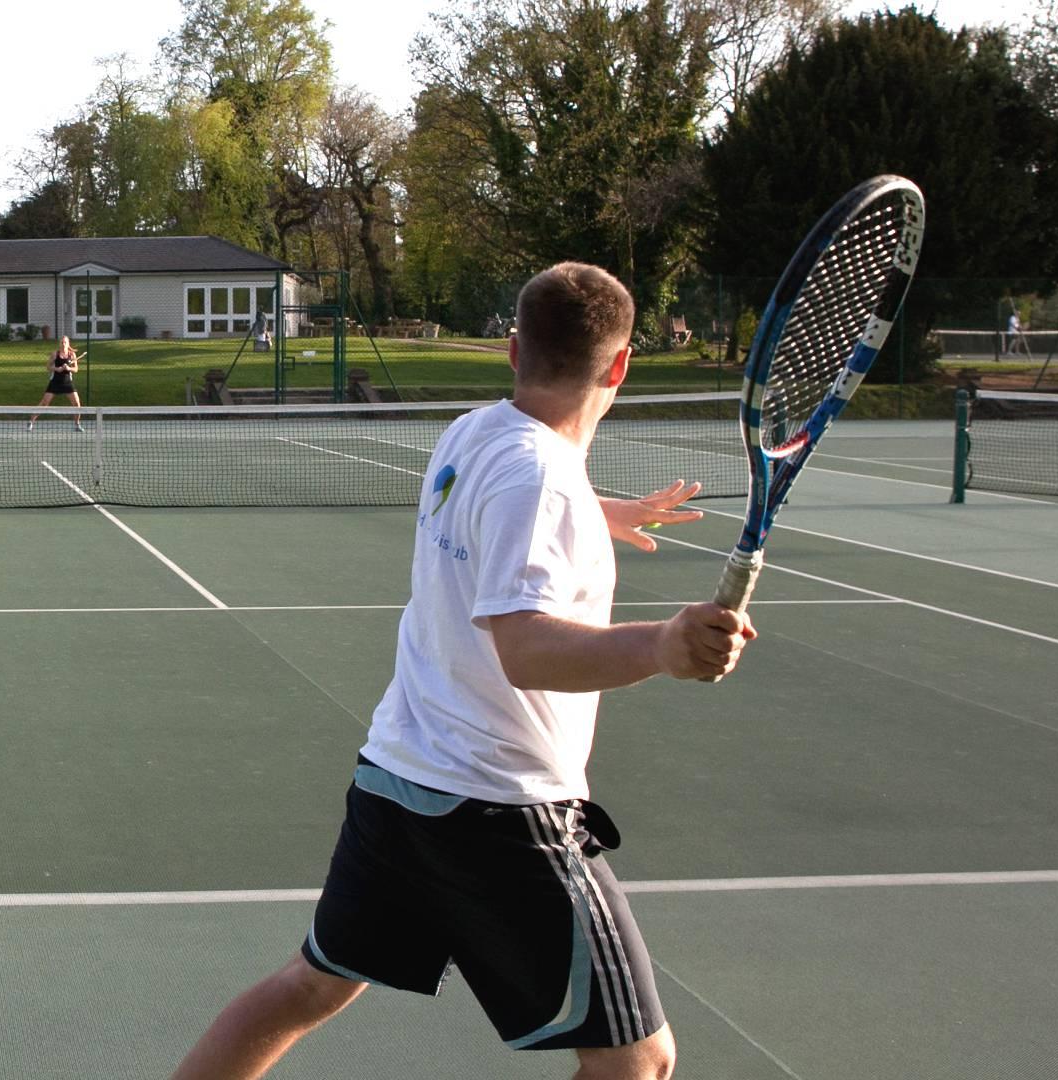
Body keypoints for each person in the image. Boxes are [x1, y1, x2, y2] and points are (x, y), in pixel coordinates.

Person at [169, 262, 757, 1080]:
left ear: (513, 350)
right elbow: (527, 649)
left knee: (312, 985)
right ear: (620, 365)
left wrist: (601, 512)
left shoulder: (477, 432)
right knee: (639, 1062)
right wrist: (661, 645)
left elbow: (520, 496)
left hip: (398, 782)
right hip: (499, 812)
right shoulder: (542, 481)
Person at [28, 336, 84, 431]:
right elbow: (48, 367)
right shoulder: (55, 354)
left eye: (65, 342)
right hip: (55, 382)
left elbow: (76, 369)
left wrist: (68, 368)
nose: (63, 344)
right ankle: (31, 422)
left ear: (68, 343)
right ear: (60, 343)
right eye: (62, 342)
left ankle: (77, 424)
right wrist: (57, 369)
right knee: (44, 403)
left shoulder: (72, 355)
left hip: (67, 383)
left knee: (77, 403)